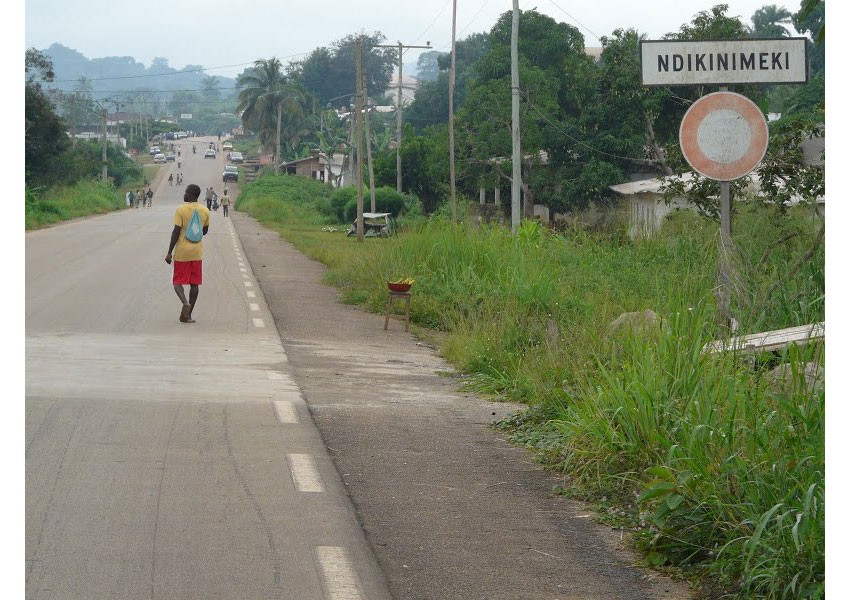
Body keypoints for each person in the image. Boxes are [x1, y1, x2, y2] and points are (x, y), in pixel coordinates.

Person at [164, 184, 210, 324]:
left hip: (182, 252)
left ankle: (185, 303)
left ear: (190, 194)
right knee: (194, 284)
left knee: (177, 282)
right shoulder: (205, 210)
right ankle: (188, 316)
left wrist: (169, 253)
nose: (184, 194)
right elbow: (204, 231)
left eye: (186, 192)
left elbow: (176, 231)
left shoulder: (181, 209)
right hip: (197, 253)